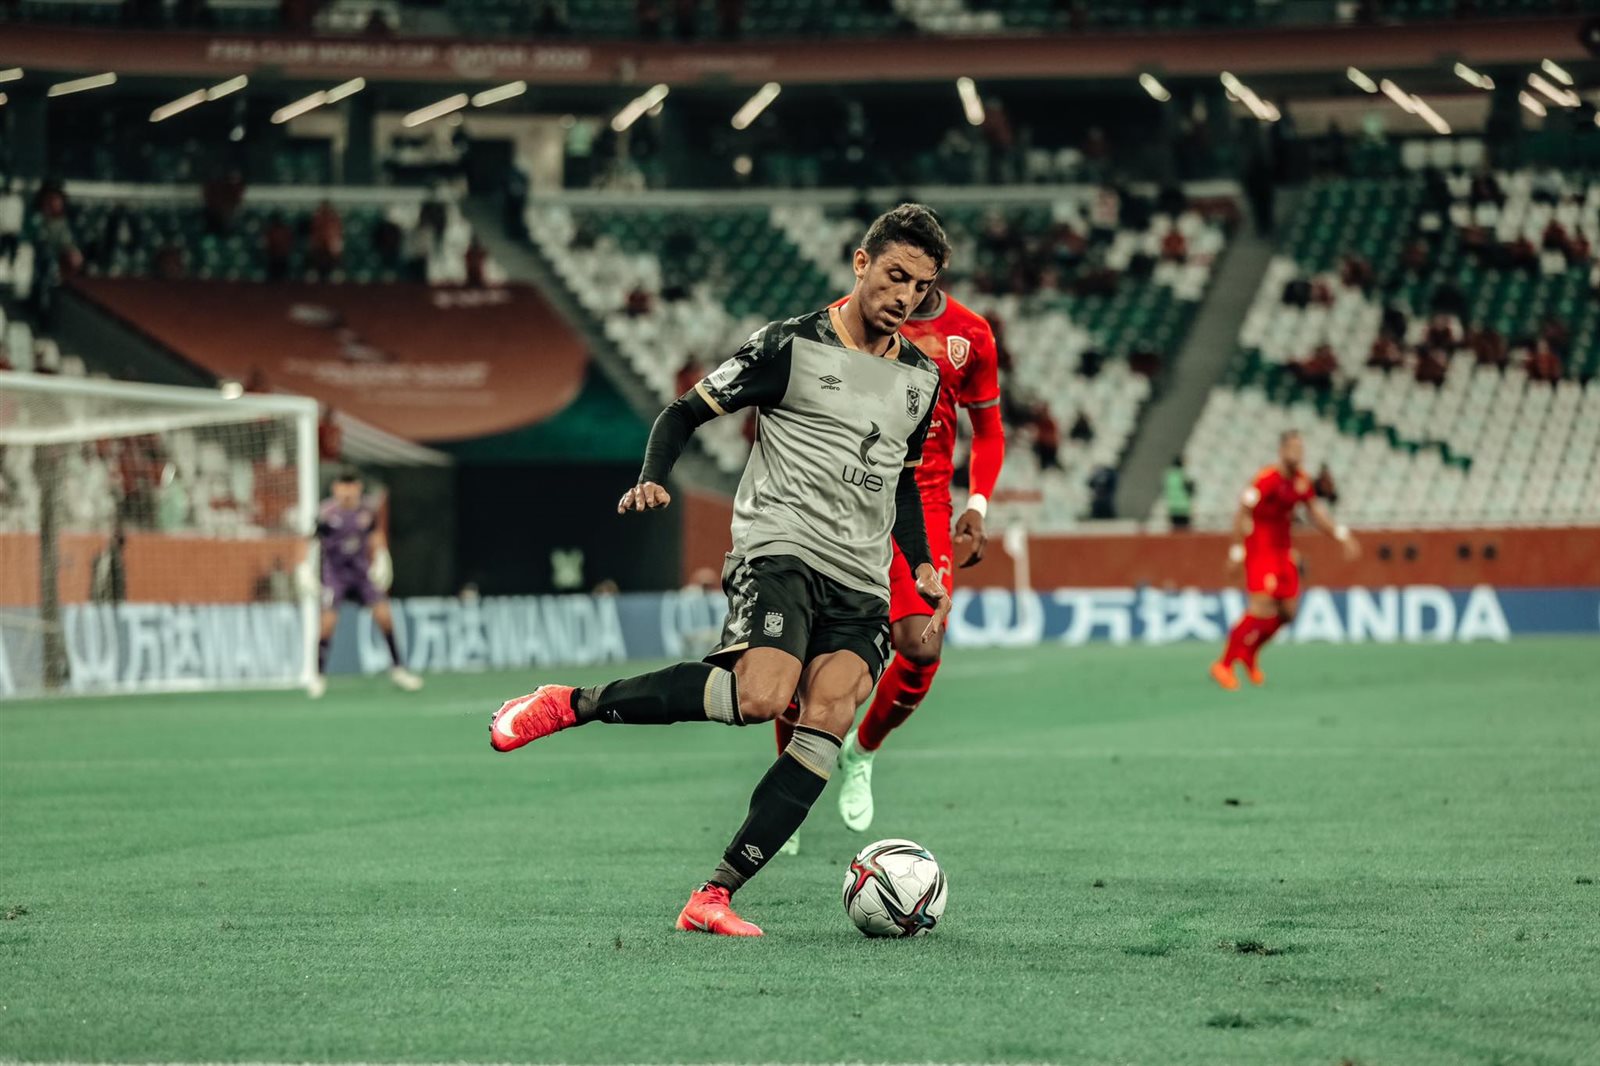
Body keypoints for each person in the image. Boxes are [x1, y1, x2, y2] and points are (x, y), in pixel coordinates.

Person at [485, 204, 951, 937]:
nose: (905, 297)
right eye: (895, 276)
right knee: (762, 697)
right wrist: (653, 475)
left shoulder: (921, 379)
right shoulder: (789, 346)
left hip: (862, 575)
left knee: (829, 718)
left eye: (920, 287)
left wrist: (920, 563)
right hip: (781, 546)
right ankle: (572, 703)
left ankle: (714, 896)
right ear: (861, 263)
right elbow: (681, 413)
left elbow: (902, 480)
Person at [786, 280, 1006, 846]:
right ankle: (786, 793)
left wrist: (978, 505)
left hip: (925, 501)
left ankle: (861, 751)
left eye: (923, 270)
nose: (911, 284)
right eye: (900, 270)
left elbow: (989, 431)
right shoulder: (842, 319)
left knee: (922, 645)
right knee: (801, 653)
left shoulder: (972, 333)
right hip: (842, 495)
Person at [1211, 430, 1360, 690]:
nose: (1297, 453)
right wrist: (1237, 552)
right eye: (1292, 448)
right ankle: (1224, 664)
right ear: (1281, 451)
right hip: (1260, 550)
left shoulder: (1301, 481)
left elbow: (1315, 512)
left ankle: (1249, 653)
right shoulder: (1266, 479)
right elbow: (1242, 512)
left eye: (1300, 448)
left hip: (1283, 551)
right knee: (1260, 607)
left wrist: (1341, 534)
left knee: (1288, 613)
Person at [309, 469, 423, 699]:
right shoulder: (326, 514)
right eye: (343, 486)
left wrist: (382, 556)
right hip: (335, 576)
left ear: (358, 488)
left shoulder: (366, 512)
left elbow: (375, 536)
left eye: (351, 486)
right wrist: (306, 567)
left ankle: (398, 670)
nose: (347, 491)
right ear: (335, 489)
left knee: (385, 616)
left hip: (361, 574)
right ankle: (317, 676)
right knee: (327, 623)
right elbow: (310, 541)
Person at [1164, 456, 1194, 530]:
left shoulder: (1168, 476)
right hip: (1183, 508)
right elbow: (1189, 490)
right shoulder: (1182, 475)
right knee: (1184, 531)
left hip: (1173, 507)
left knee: (1176, 530)